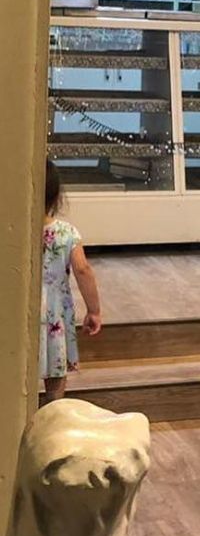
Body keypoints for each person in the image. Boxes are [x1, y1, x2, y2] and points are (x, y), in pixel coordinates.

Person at [39, 160, 101, 403]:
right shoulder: (66, 233)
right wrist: (94, 310)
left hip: (19, 307)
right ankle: (54, 409)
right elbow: (82, 270)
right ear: (56, 196)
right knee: (55, 370)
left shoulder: (14, 230)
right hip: (54, 310)